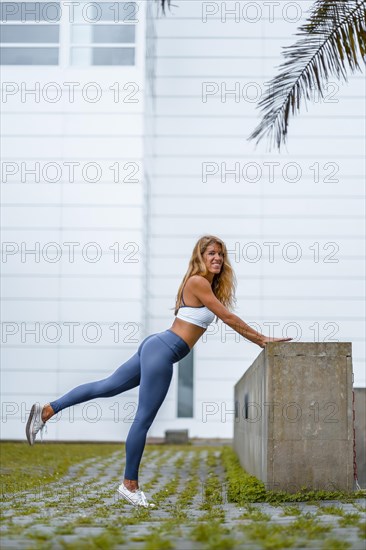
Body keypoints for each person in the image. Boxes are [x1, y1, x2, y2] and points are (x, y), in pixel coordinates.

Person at [26, 234, 292, 508]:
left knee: (106, 387)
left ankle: (47, 410)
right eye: (211, 253)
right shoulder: (197, 281)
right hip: (163, 351)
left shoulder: (204, 285)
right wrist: (261, 339)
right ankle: (129, 485)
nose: (217, 258)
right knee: (142, 418)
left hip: (157, 346)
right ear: (199, 257)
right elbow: (227, 317)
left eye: (220, 254)